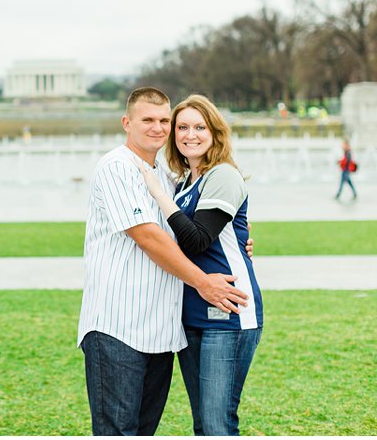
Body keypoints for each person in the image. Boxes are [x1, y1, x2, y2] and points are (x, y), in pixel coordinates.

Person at [77, 87, 251, 436]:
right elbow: (148, 236)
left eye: (163, 120)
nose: (158, 128)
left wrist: (237, 234)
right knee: (118, 431)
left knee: (143, 430)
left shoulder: (168, 176)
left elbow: (194, 230)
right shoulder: (117, 166)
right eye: (147, 120)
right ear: (127, 123)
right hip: (117, 326)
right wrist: (203, 280)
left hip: (160, 331)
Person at [137, 94, 263, 436]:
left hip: (228, 313)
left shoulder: (222, 175)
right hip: (190, 314)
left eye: (199, 127)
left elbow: (196, 240)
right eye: (182, 127)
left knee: (217, 423)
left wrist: (157, 194)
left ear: (215, 133)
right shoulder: (183, 184)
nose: (189, 134)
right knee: (203, 425)